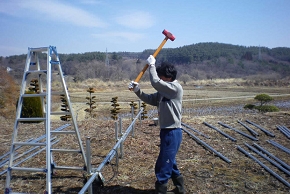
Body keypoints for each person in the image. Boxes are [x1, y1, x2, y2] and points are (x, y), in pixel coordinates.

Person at [128, 55, 185, 194]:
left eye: (161, 76)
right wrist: (137, 91)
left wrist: (152, 66)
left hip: (173, 131)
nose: (159, 78)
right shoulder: (163, 92)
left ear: (168, 76)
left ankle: (161, 190)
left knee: (163, 165)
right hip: (166, 131)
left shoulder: (174, 88)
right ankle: (180, 188)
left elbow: (155, 82)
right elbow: (150, 98)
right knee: (169, 161)